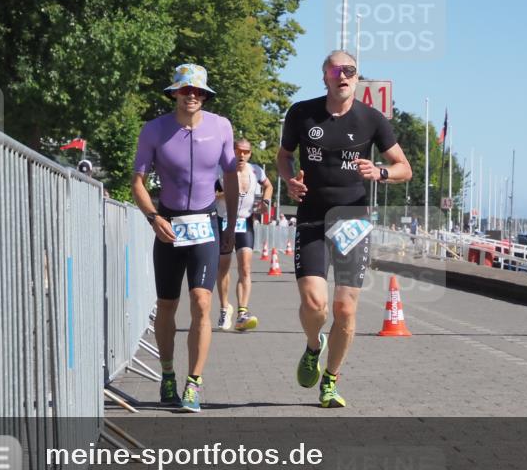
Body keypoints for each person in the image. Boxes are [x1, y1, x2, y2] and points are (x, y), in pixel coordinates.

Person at [276, 50, 412, 408]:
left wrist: (381, 173)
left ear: (357, 77)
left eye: (349, 70)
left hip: (352, 218)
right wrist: (290, 180)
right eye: (335, 70)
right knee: (314, 303)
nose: (343, 76)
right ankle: (312, 346)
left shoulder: (372, 119)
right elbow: (283, 155)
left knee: (346, 309)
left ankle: (331, 379)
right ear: (325, 77)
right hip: (312, 216)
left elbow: (403, 167)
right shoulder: (302, 113)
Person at [132, 63, 238, 413]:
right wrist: (153, 218)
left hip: (206, 223)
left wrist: (231, 225)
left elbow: (231, 176)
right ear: (174, 93)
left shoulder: (221, 126)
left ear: (205, 95)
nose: (191, 95)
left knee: (202, 302)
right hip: (169, 222)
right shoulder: (154, 130)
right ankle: (166, 374)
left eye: (197, 91)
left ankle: (193, 382)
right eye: (184, 90)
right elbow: (138, 183)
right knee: (166, 305)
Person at [215, 138, 273, 332]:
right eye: (238, 150)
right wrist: (226, 193)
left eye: (246, 152)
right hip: (223, 221)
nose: (242, 155)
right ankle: (225, 308)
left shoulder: (256, 170)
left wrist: (265, 201)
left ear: (250, 154)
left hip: (244, 222)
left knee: (245, 268)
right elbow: (208, 194)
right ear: (232, 151)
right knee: (223, 267)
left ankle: (242, 313)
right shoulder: (220, 170)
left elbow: (269, 186)